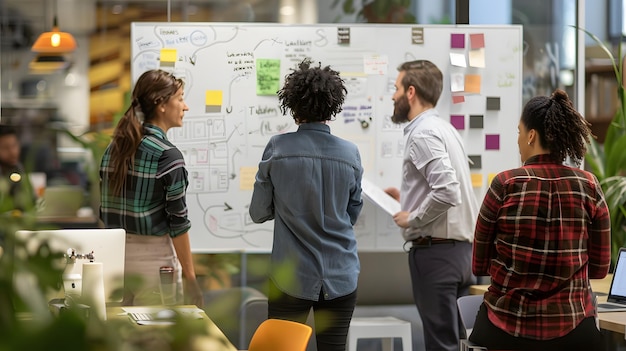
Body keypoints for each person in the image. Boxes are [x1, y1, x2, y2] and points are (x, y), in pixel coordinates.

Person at [469, 89, 611, 351]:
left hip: (507, 329)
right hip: (574, 331)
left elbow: (479, 265)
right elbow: (600, 269)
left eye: (519, 132)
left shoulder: (504, 184)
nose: (519, 140)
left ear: (531, 135)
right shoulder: (589, 186)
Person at [249, 58, 363, 351]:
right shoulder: (350, 154)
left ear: (294, 106)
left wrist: (288, 208)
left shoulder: (278, 148)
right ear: (332, 105)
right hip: (341, 275)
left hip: (291, 276)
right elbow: (351, 213)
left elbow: (258, 212)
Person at [384, 60, 479, 351]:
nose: (393, 96)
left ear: (410, 92)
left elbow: (448, 191)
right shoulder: (445, 129)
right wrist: (406, 197)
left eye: (396, 88)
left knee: (442, 346)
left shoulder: (422, 133)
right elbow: (446, 188)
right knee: (460, 343)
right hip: (461, 254)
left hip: (437, 255)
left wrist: (413, 217)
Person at [99, 69, 203, 307]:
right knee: (156, 340)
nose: (185, 107)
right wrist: (191, 278)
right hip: (156, 267)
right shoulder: (168, 156)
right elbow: (178, 224)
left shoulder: (113, 149)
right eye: (180, 99)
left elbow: (106, 211)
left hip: (115, 261)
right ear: (162, 105)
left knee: (120, 338)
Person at [0, 124, 34, 213]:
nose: (12, 152)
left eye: (14, 145)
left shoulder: (18, 168)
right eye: (5, 148)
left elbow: (30, 201)